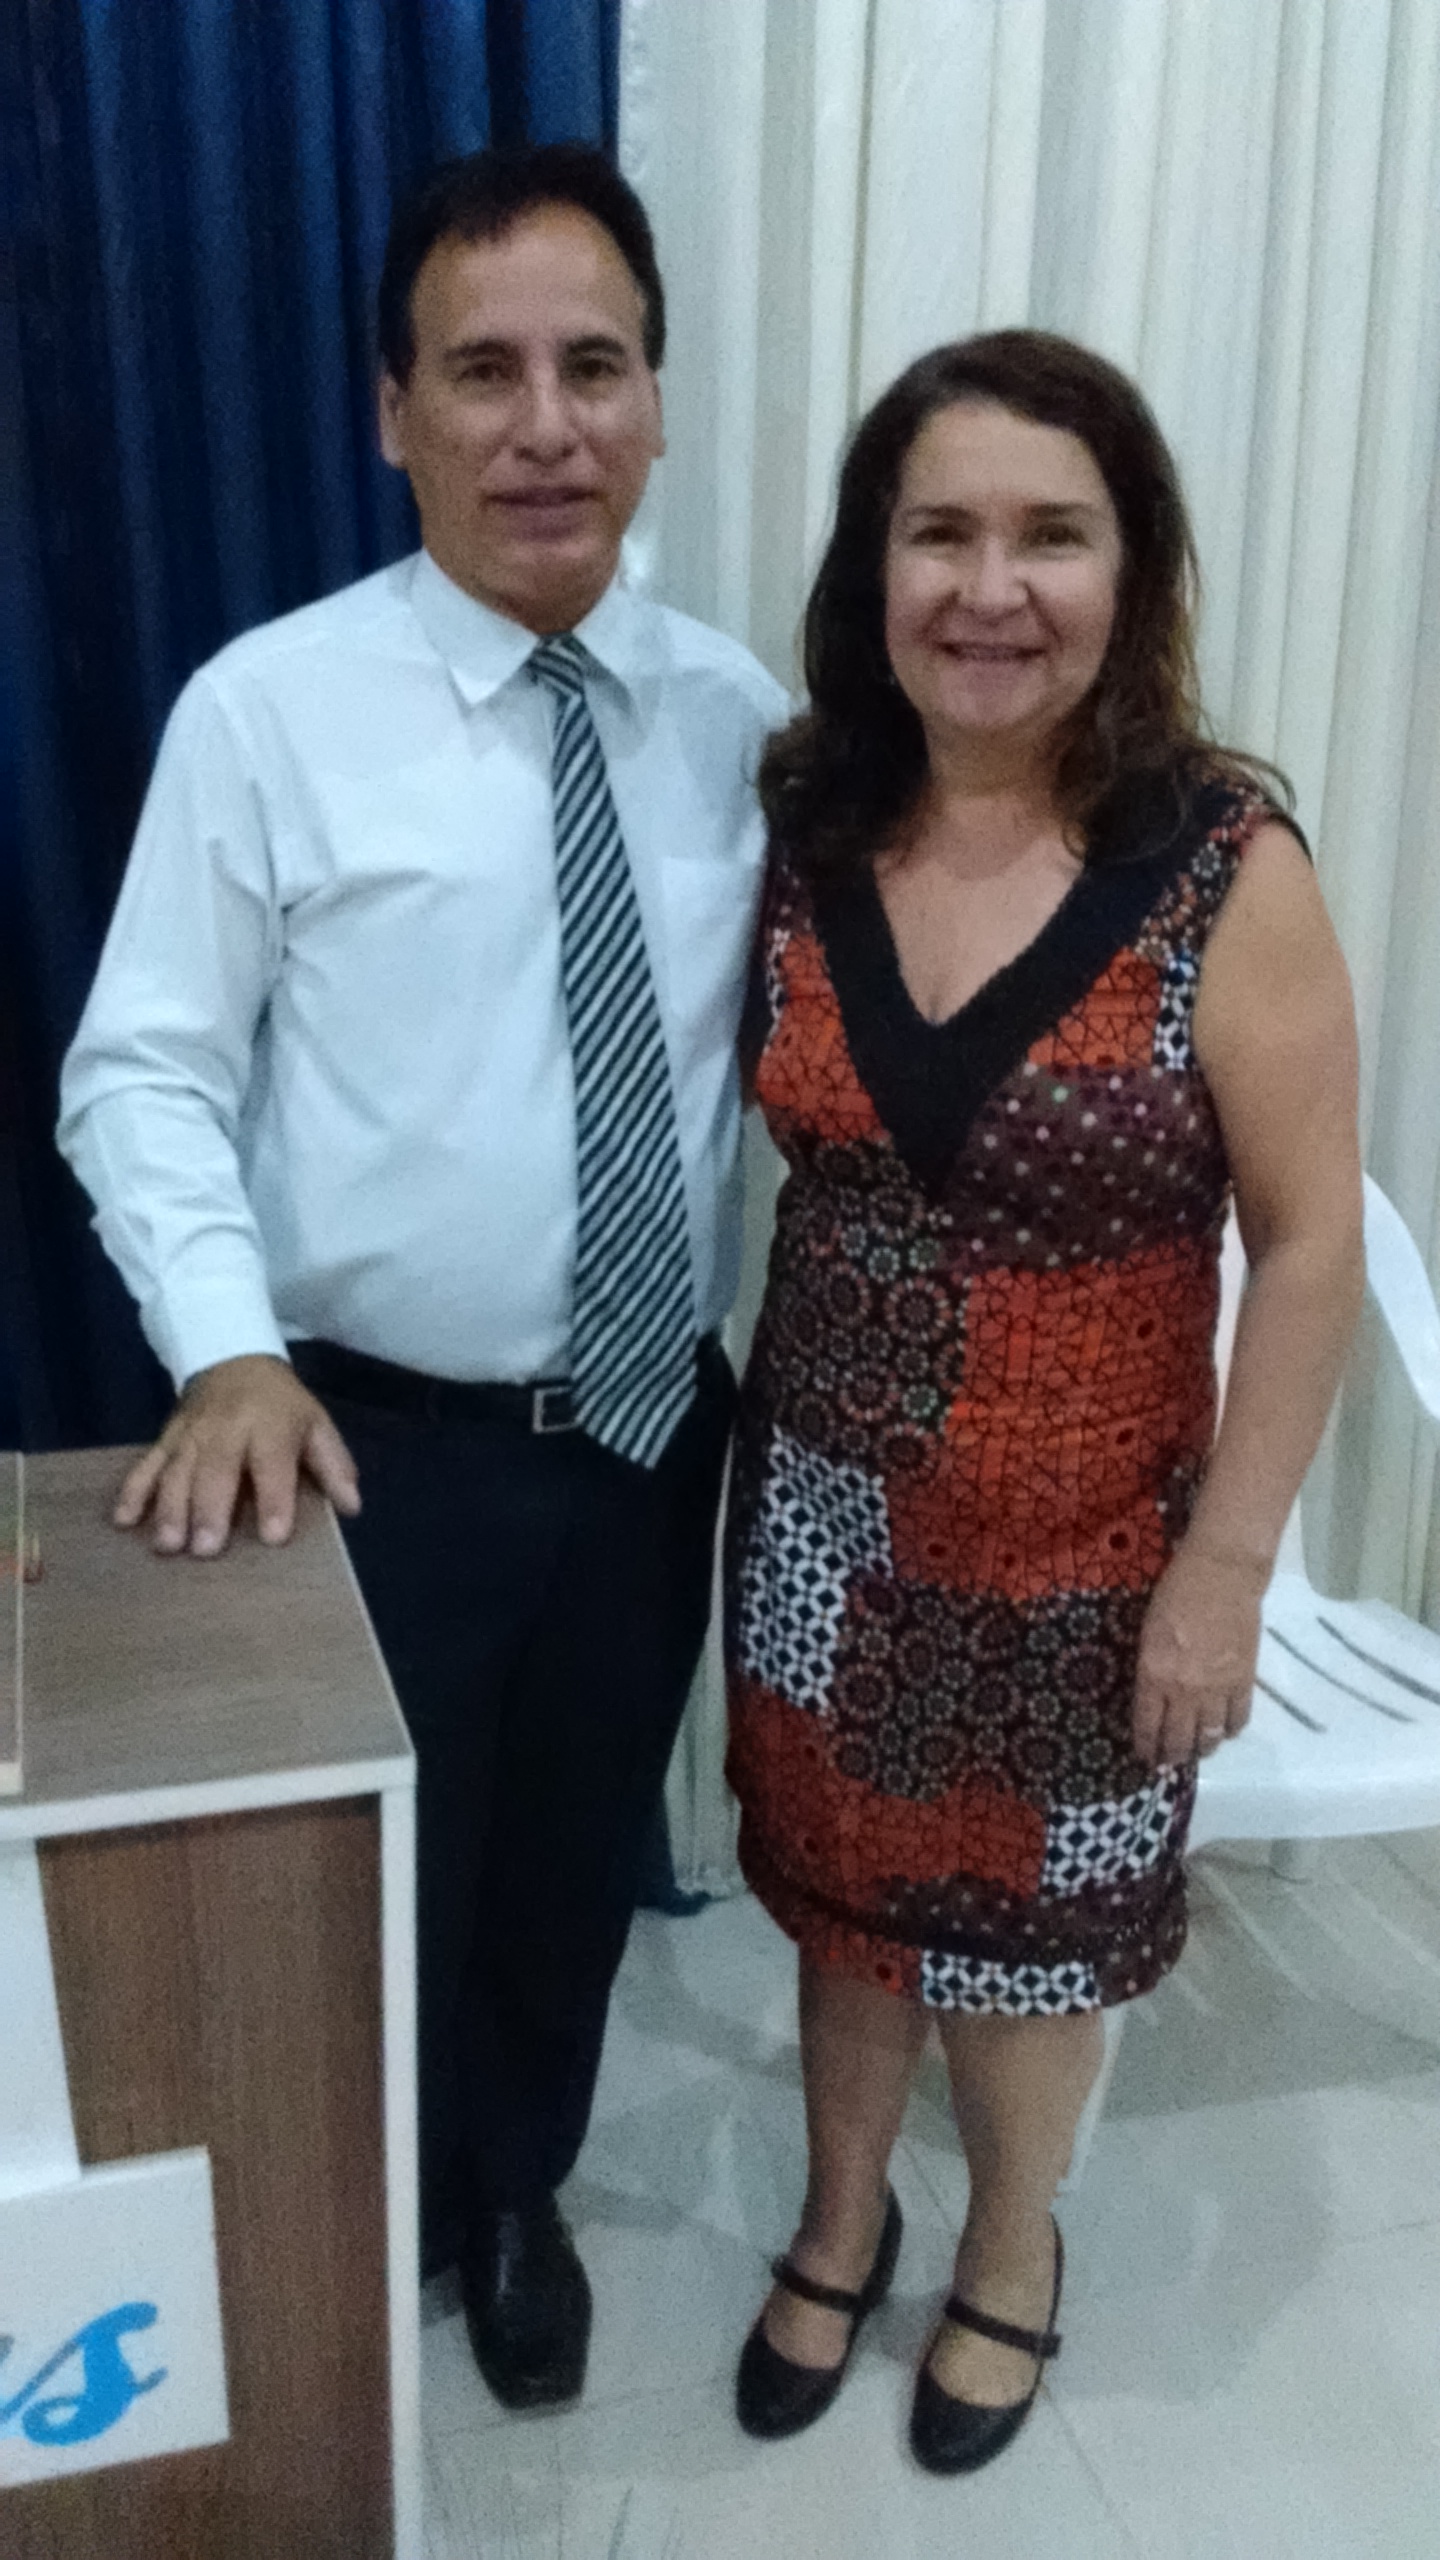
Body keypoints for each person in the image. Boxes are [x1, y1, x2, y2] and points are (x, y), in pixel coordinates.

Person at [58, 142, 786, 2413]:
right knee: (368, 1876)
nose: (544, 425)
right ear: (393, 413)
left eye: (595, 366)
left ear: (659, 401)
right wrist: (227, 1351)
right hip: (368, 1442)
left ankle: (513, 2190)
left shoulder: (740, 716)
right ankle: (338, 2229)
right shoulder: (268, 710)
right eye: (483, 371)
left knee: (569, 1862)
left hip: (650, 1431)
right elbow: (142, 1069)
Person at [724, 330, 1363, 2471]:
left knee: (1031, 1942)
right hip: (822, 1539)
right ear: (874, 570)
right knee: (840, 1904)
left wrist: (1229, 1571)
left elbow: (1311, 1244)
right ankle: (840, 2216)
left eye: (1051, 537)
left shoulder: (1223, 868)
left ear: (1132, 571)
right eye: (941, 533)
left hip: (1094, 1560)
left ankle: (1010, 2247)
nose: (990, 588)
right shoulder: (808, 824)